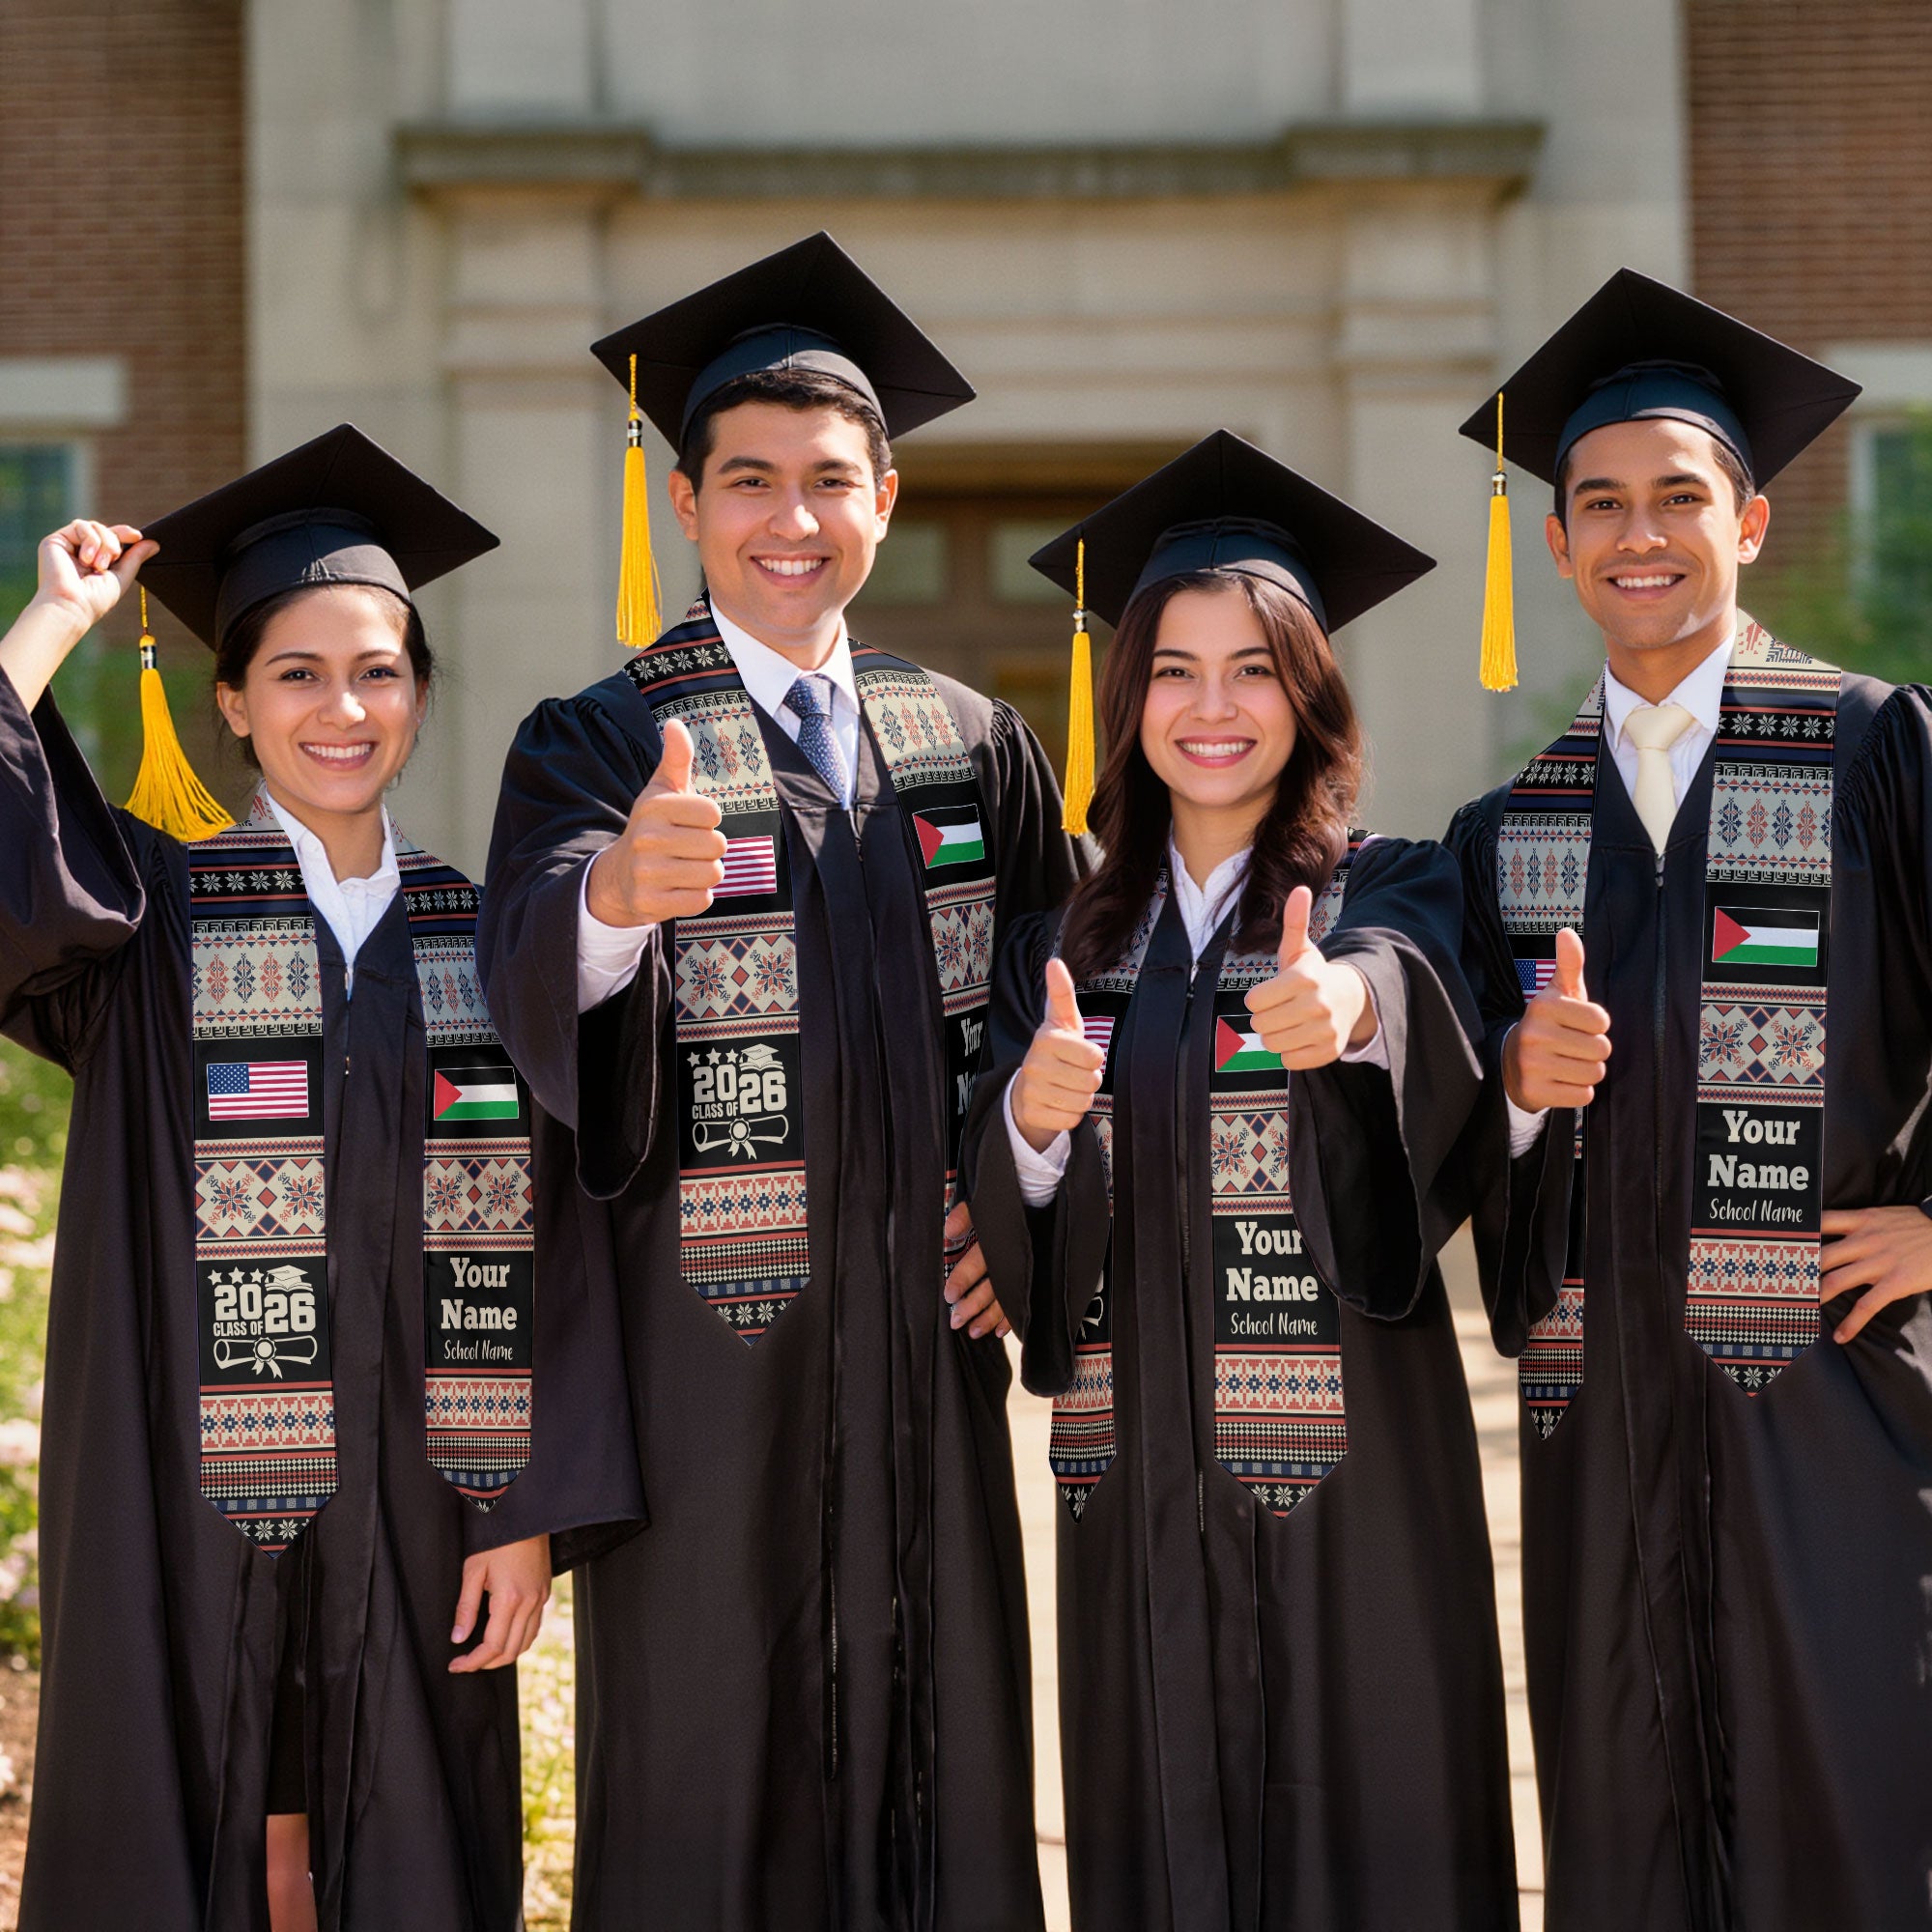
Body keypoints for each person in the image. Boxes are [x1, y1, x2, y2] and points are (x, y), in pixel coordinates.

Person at [479, 233, 1082, 1930]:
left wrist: (1021, 1203)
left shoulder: (970, 740)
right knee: (709, 1776)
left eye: (830, 481)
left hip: (923, 1361)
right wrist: (611, 899)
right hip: (709, 1368)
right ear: (687, 504)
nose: (790, 520)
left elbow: (1074, 1006)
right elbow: (525, 963)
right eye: (750, 482)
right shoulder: (600, 739)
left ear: (886, 497)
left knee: (942, 1759)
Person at [0, 425, 642, 1932]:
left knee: (409, 1839)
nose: (341, 708)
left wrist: (525, 1507)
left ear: (420, 693)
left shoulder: (488, 938)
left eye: (378, 670)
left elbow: (563, 1244)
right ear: (230, 700)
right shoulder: (146, 920)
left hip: (429, 1498)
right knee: (195, 1815)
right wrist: (51, 624)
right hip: (185, 1490)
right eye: (295, 673)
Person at [962, 432, 1518, 1930]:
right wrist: (1029, 1116)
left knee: (1377, 1824)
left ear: (1311, 692)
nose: (1214, 708)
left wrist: (1346, 1013)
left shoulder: (1390, 884)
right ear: (1126, 696)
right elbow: (1012, 1207)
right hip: (1133, 1471)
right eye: (1175, 670)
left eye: (1256, 668)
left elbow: (1413, 992)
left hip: (1354, 1475)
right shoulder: (1059, 947)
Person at [1447, 270, 1932, 1931]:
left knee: (1854, 1807)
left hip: (1835, 1402)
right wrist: (1515, 1093)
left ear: (1753, 520)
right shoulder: (1513, 830)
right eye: (1599, 505)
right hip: (1605, 1422)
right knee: (1625, 1821)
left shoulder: (1875, 750)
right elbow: (1451, 1142)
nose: (1637, 534)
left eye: (1678, 497)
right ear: (1562, 542)